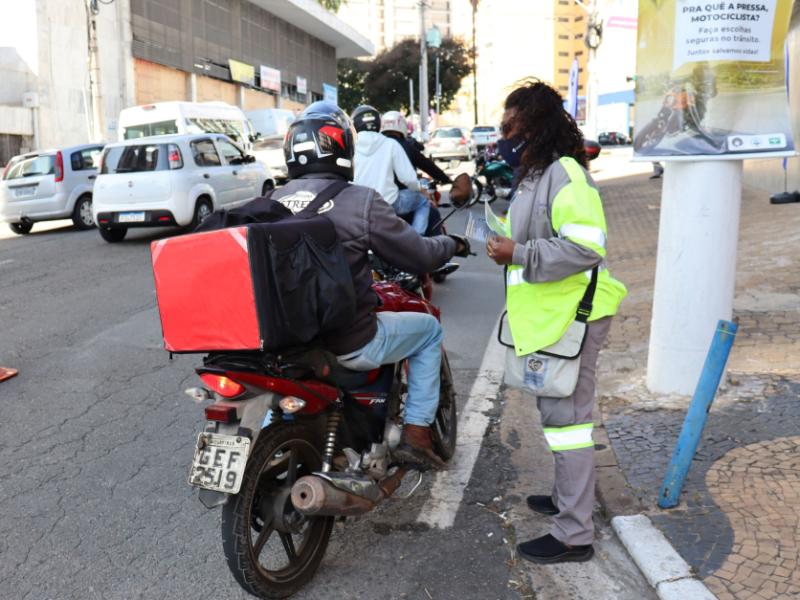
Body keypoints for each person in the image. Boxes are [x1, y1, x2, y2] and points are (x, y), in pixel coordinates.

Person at [278, 101, 470, 470]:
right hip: (347, 341)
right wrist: (452, 243)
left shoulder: (271, 200)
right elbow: (418, 254)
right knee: (428, 330)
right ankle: (416, 433)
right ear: (342, 149)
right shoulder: (359, 201)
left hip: (284, 341)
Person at [486, 81, 627, 564]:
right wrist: (495, 231)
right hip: (554, 317)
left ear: (535, 126)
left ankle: (574, 534)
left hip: (577, 315)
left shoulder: (565, 173)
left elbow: (587, 246)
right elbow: (519, 233)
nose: (503, 135)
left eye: (510, 126)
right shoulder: (532, 175)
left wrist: (518, 252)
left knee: (569, 423)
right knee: (557, 417)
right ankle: (568, 498)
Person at [381, 111, 472, 235]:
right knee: (426, 204)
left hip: (375, 202)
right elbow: (426, 166)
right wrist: (445, 179)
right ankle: (417, 240)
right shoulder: (404, 146)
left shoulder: (376, 146)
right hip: (398, 198)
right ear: (401, 126)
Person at [351, 105, 432, 235]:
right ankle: (416, 243)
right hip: (389, 204)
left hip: (357, 207)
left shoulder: (349, 147)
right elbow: (408, 178)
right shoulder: (390, 144)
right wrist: (420, 189)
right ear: (378, 123)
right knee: (422, 202)